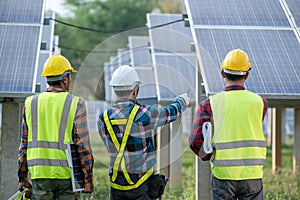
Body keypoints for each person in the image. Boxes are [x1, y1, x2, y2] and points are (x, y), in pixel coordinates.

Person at [97, 65, 190, 200]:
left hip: (116, 186)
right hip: (142, 185)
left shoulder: (102, 119)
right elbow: (169, 113)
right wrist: (182, 101)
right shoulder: (144, 114)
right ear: (135, 91)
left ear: (114, 90)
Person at [189, 49, 268, 199]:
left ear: (222, 73)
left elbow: (194, 141)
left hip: (223, 174)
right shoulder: (260, 102)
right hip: (252, 174)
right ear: (247, 74)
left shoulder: (209, 104)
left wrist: (209, 156)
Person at [17, 54, 94, 199]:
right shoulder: (76, 103)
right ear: (65, 78)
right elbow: (82, 145)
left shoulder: (30, 103)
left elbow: (24, 144)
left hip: (39, 174)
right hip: (67, 174)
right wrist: (88, 179)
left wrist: (22, 176)